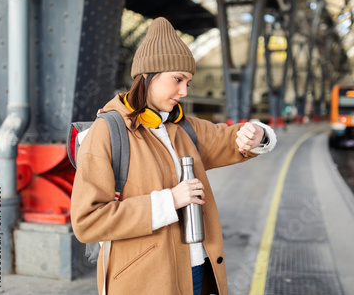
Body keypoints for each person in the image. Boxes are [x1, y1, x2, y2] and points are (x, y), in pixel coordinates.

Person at [70, 17, 277, 295]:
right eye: (178, 79)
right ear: (148, 76)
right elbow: (88, 221)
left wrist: (257, 133)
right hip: (146, 281)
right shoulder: (107, 131)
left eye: (188, 81)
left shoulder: (183, 127)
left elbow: (233, 138)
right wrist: (170, 200)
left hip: (198, 270)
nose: (184, 91)